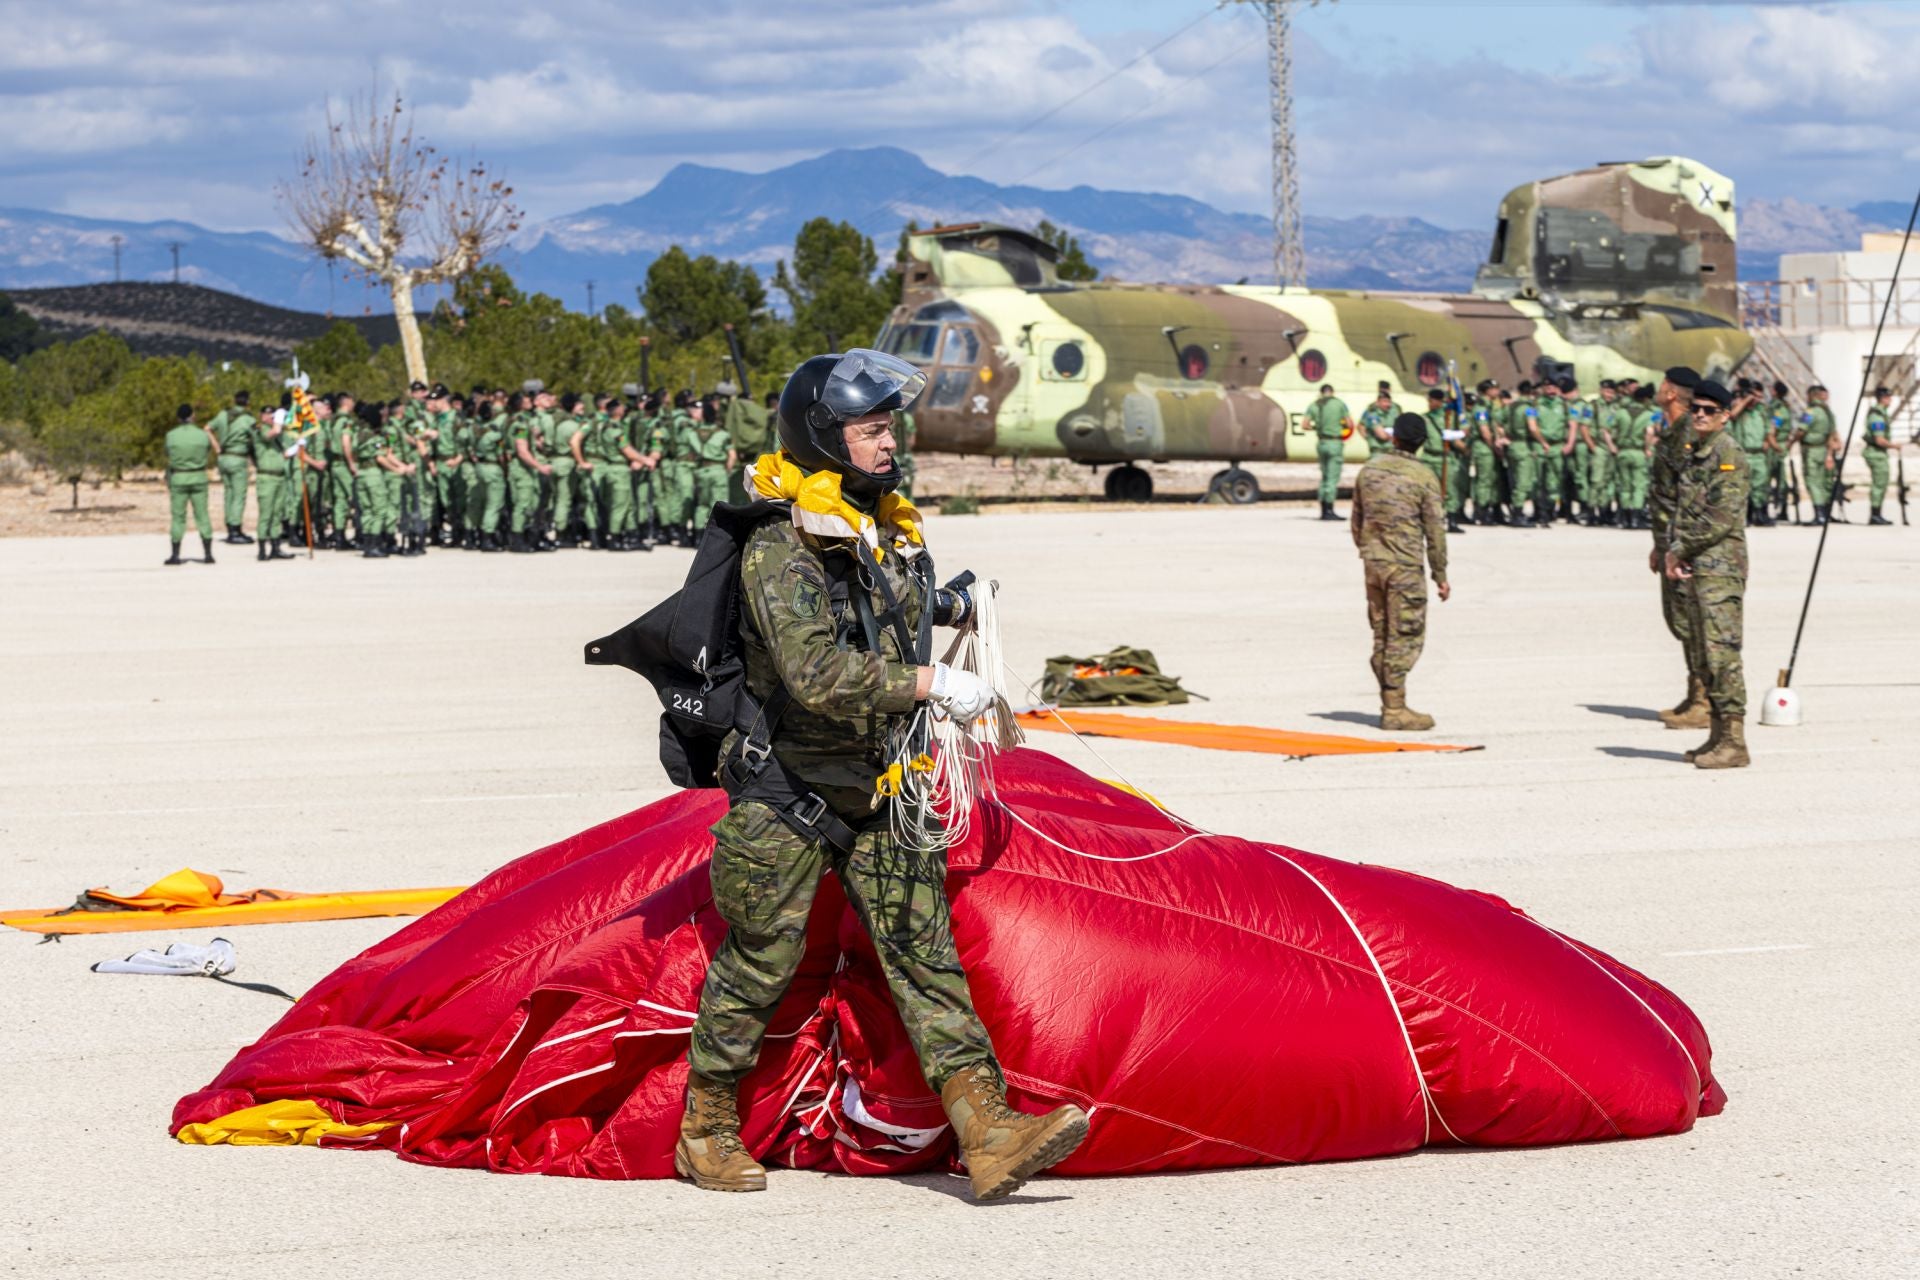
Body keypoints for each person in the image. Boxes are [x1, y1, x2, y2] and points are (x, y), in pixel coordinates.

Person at [676, 348, 1089, 1201]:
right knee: (759, 962)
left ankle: (989, 1130)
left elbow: (878, 604)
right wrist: (935, 681)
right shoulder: (778, 545)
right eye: (871, 429)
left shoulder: (872, 526)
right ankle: (706, 1126)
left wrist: (946, 607)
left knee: (925, 954)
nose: (888, 440)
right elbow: (817, 672)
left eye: (888, 426)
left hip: (880, 790)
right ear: (826, 439)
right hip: (786, 795)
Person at [1666, 378, 1750, 769]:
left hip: (1720, 568)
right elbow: (1683, 512)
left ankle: (1735, 742)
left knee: (1722, 655)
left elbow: (1721, 517)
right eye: (1696, 408)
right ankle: (1716, 734)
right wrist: (1676, 551)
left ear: (1725, 416)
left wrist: (1680, 549)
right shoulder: (1695, 452)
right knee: (1703, 653)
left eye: (1709, 410)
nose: (1700, 414)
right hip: (1698, 565)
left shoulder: (1727, 454)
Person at [1350, 412, 1449, 730]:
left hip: (1374, 563)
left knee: (1382, 634)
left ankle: (1389, 702)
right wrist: (1440, 575)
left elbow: (1357, 518)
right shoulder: (1423, 477)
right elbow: (1435, 531)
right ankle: (1394, 710)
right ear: (1421, 444)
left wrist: (1368, 552)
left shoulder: (1370, 470)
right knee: (1404, 636)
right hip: (1405, 566)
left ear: (1394, 438)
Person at [1648, 366, 1705, 729]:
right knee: (1680, 620)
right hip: (1671, 542)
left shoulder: (1688, 434)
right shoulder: (1674, 433)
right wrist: (1658, 545)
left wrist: (1679, 547)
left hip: (1686, 545)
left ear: (1670, 392)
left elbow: (1690, 497)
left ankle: (1705, 700)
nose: (1658, 388)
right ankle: (1693, 691)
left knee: (1695, 621)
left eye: (1662, 383)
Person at [163, 404, 218, 566]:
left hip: (179, 477)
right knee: (202, 514)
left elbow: (168, 453)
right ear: (192, 416)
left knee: (178, 517)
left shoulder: (171, 435)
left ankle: (175, 554)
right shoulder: (202, 435)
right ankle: (208, 554)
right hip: (199, 476)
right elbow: (208, 450)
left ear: (178, 417)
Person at [250, 407, 297, 562]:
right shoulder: (260, 430)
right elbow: (272, 433)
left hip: (280, 477)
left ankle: (275, 548)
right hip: (266, 478)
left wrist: (297, 447)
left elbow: (283, 452)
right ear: (262, 417)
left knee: (277, 513)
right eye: (267, 415)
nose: (270, 418)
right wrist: (278, 421)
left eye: (272, 415)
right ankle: (262, 548)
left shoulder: (279, 434)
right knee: (266, 514)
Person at [209, 390, 255, 544]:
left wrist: (216, 446)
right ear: (248, 402)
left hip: (223, 458)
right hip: (237, 458)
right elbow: (256, 438)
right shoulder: (248, 420)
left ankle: (230, 526)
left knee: (228, 493)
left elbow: (207, 428)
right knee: (238, 495)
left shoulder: (223, 415)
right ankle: (235, 530)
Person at [1791, 384, 1839, 523]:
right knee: (1823, 481)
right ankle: (1825, 512)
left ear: (1812, 395)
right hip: (1823, 450)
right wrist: (1830, 454)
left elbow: (1801, 431)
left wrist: (1791, 442)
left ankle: (1819, 515)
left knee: (1812, 481)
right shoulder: (1827, 412)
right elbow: (1832, 434)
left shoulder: (1810, 412)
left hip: (1811, 450)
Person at [1306, 383, 1351, 520]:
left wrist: (1319, 428)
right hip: (1334, 442)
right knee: (1332, 478)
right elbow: (1349, 424)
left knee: (1324, 477)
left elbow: (1305, 425)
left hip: (1321, 442)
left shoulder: (1315, 405)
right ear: (1332, 392)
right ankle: (1329, 510)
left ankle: (1323, 509)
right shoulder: (1339, 404)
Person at [1864, 386, 1899, 525]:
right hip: (1876, 453)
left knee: (1882, 483)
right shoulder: (1877, 415)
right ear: (1883, 398)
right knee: (1879, 484)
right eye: (1888, 397)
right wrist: (1895, 446)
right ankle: (1875, 515)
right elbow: (1879, 440)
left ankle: (1877, 514)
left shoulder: (1882, 413)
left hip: (1879, 453)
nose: (1890, 400)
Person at [1359, 389, 1396, 457]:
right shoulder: (1373, 415)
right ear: (1378, 402)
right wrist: (1369, 438)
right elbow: (1382, 435)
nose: (1387, 404)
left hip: (1391, 450)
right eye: (1384, 401)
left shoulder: (1393, 412)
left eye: (1389, 402)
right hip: (1378, 451)